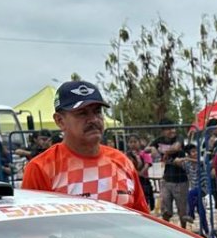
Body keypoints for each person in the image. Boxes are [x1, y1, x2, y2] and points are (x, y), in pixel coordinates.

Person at [20, 80, 149, 213]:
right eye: (82, 113)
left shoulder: (122, 161)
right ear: (60, 121)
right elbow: (32, 229)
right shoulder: (41, 168)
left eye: (97, 111)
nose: (93, 119)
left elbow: (143, 220)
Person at [149, 120, 189, 227]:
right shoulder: (159, 140)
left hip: (180, 180)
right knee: (165, 210)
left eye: (173, 128)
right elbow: (147, 148)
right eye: (169, 129)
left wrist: (164, 152)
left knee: (182, 210)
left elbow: (176, 147)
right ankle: (167, 230)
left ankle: (184, 230)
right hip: (167, 179)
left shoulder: (178, 138)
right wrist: (153, 148)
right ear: (163, 131)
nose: (172, 131)